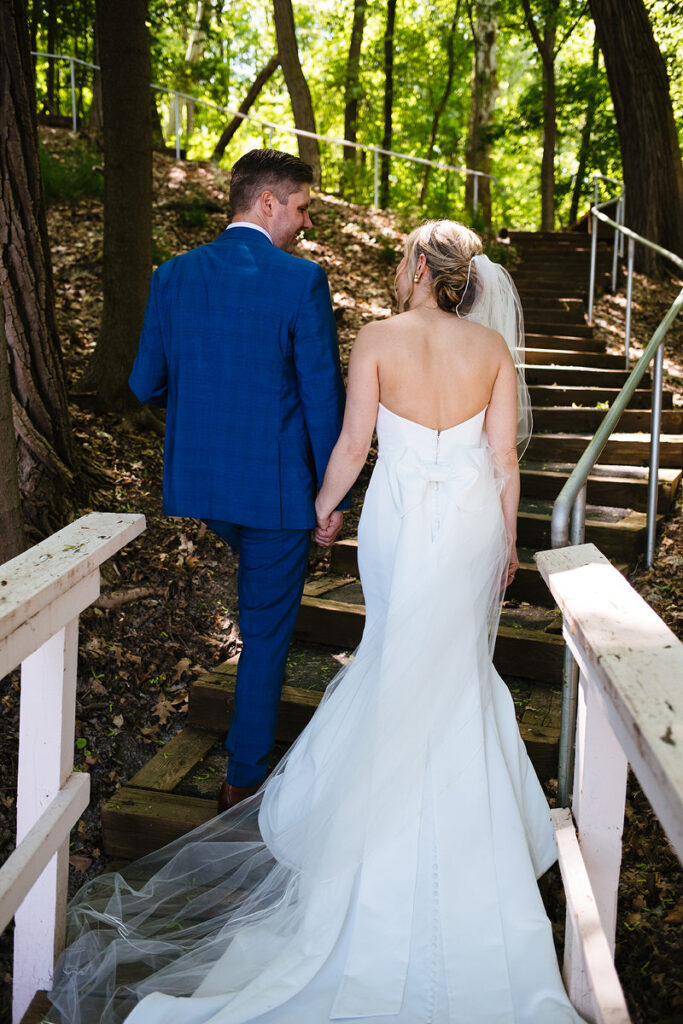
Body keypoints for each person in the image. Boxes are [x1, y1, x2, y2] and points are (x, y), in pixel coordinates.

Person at [48, 221, 586, 1024]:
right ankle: (466, 854)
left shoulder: (376, 337)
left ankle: (374, 847)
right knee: (452, 672)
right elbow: (504, 460)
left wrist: (322, 510)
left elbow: (353, 444)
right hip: (473, 523)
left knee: (396, 654)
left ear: (415, 268)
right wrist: (507, 540)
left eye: (399, 258)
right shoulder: (491, 352)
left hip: (402, 524)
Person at [128, 149, 349, 815]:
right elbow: (323, 401)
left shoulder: (172, 275)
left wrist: (203, 417)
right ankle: (242, 781)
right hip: (276, 495)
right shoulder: (300, 281)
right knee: (266, 635)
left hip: (202, 483)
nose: (306, 223)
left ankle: (244, 771)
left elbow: (145, 384)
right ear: (268, 203)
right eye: (303, 208)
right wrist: (329, 498)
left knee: (258, 595)